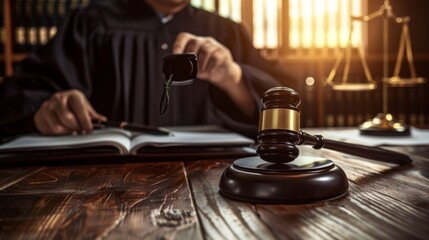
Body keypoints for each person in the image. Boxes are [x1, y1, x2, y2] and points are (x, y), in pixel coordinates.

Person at [0, 0, 296, 139]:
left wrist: (233, 78)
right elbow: (18, 93)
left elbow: (288, 105)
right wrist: (46, 109)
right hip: (103, 187)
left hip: (216, 185)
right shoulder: (91, 23)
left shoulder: (226, 32)